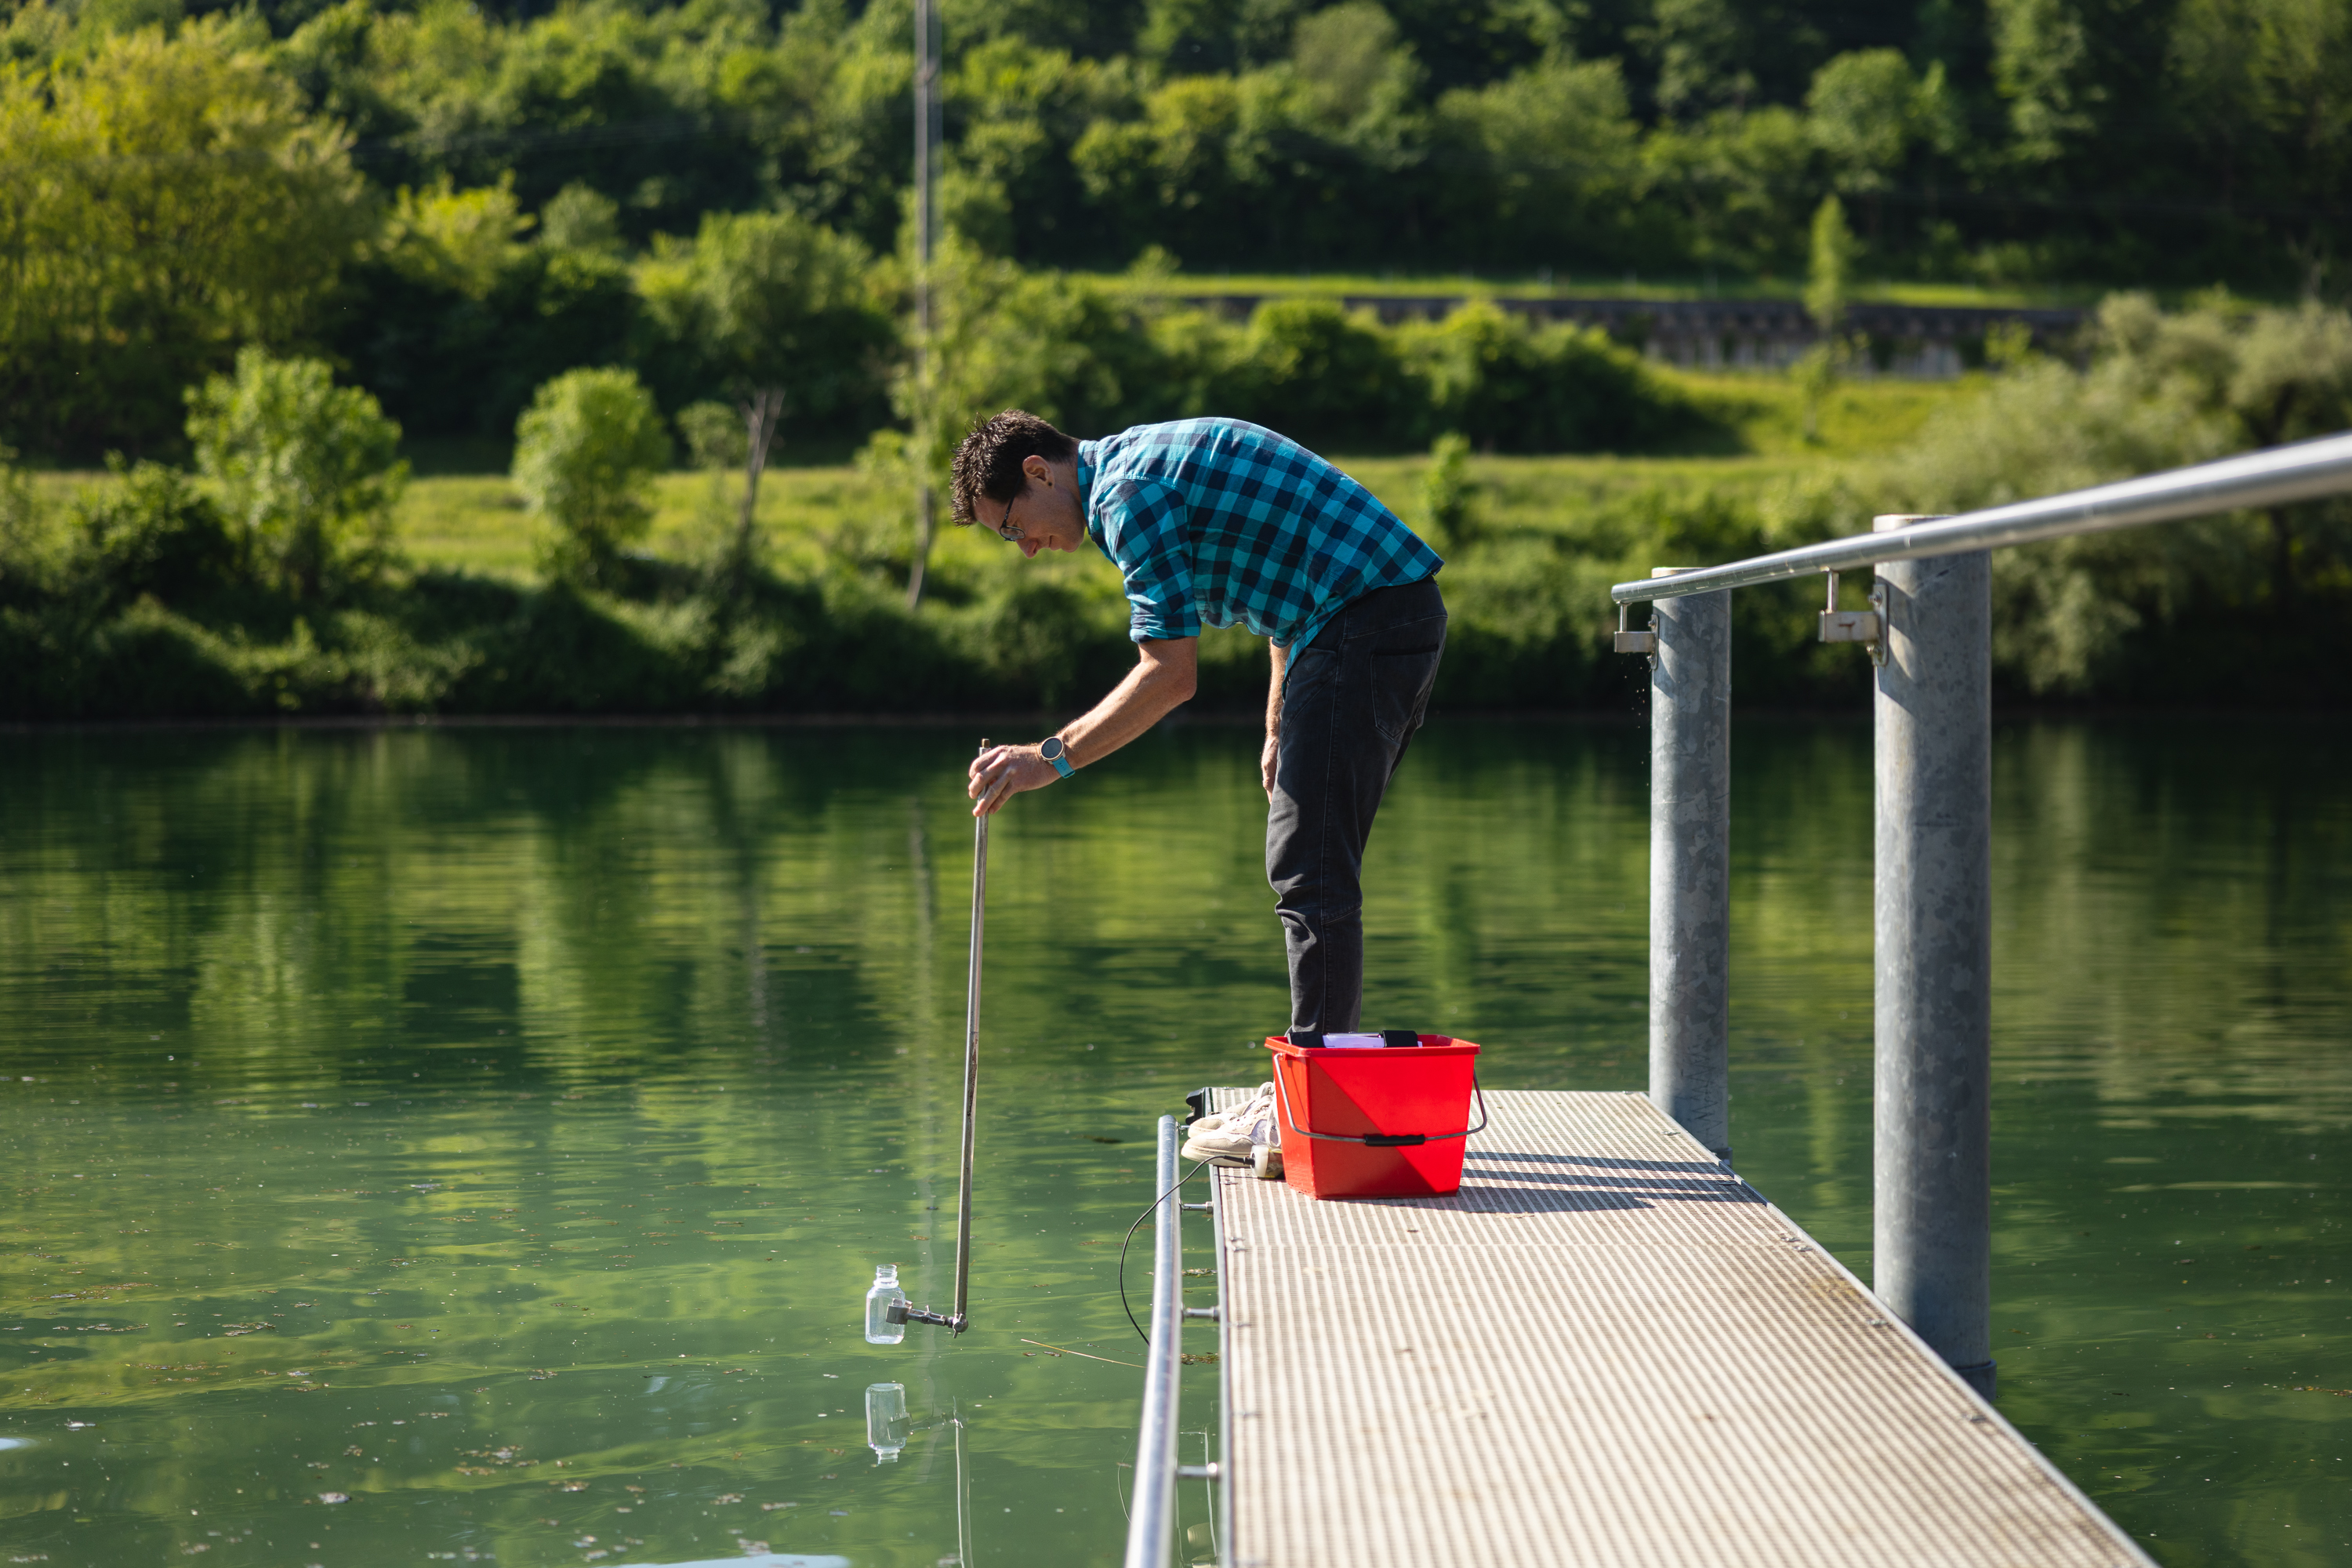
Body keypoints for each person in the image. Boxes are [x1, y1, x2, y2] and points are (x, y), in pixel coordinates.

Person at [956, 410, 1446, 1036]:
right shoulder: (1133, 468)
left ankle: (1322, 1084)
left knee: (1308, 866)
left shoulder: (1127, 496)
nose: (1025, 548)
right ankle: (1323, 1073)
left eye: (1012, 526)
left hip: (1366, 617)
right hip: (1374, 615)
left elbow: (1170, 675)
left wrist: (1047, 758)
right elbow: (1282, 590)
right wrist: (1278, 721)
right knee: (1312, 860)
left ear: (1037, 472)